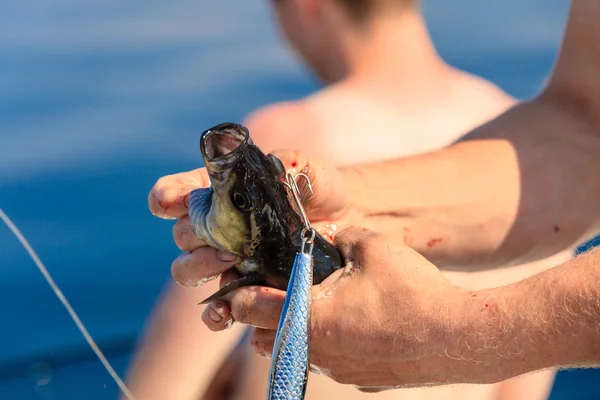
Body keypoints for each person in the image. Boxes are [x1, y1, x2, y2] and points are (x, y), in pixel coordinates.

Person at [145, 0, 600, 394]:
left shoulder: (287, 133)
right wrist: (351, 199)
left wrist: (455, 332)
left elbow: (160, 391)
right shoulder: (522, 138)